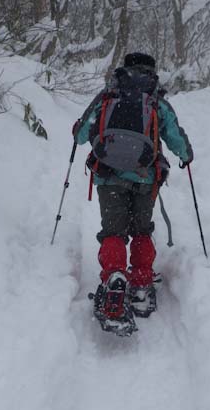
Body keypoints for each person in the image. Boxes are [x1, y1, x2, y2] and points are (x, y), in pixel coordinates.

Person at [72, 52, 193, 336]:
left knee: (113, 232)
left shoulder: (108, 96)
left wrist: (79, 129)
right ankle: (140, 287)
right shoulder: (155, 101)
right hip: (145, 178)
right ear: (152, 73)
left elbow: (80, 134)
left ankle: (115, 277)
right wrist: (186, 155)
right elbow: (175, 138)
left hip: (108, 176)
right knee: (141, 230)